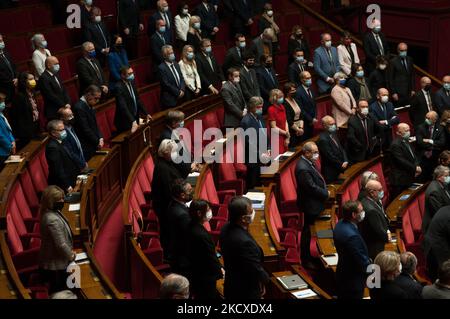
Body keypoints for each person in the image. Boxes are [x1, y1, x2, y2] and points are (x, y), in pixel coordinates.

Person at [220, 196, 270, 299]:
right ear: (243, 218)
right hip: (245, 292)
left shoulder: (225, 228)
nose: (253, 213)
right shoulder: (244, 242)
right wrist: (265, 279)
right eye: (251, 211)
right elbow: (254, 268)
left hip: (231, 284)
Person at [152, 140, 190, 253]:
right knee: (169, 235)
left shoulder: (166, 163)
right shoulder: (162, 168)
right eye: (172, 152)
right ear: (164, 152)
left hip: (168, 206)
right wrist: (182, 202)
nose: (175, 154)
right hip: (166, 208)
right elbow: (169, 191)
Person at [296, 141, 329, 268]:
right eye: (314, 152)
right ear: (306, 152)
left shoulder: (308, 163)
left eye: (317, 152)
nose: (317, 155)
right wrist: (325, 193)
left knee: (310, 231)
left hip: (314, 202)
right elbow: (311, 188)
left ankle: (309, 256)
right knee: (308, 232)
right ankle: (306, 259)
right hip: (310, 205)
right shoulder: (303, 168)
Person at [39, 185, 76, 294]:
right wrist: (71, 255)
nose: (62, 201)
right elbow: (61, 245)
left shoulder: (53, 212)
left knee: (72, 286)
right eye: (59, 199)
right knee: (65, 292)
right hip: (55, 267)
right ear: (51, 201)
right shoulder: (51, 219)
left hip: (59, 262)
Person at [333, 200, 370, 299]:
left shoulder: (340, 224)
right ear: (353, 214)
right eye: (361, 211)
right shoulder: (352, 236)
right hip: (353, 281)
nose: (363, 213)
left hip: (342, 273)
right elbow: (361, 261)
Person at [187, 199, 223, 299]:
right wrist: (220, 272)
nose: (210, 211)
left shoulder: (191, 226)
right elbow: (210, 256)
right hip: (204, 276)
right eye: (208, 210)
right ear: (199, 213)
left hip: (196, 273)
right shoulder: (201, 234)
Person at [240, 96, 269, 190]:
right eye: (258, 107)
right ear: (251, 107)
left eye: (261, 107)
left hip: (263, 155)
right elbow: (249, 143)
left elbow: (265, 134)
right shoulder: (246, 121)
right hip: (253, 158)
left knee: (262, 182)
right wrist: (260, 154)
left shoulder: (259, 117)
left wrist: (269, 148)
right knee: (254, 185)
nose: (260, 109)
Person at [166, 179, 192, 277]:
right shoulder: (182, 215)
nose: (192, 192)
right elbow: (188, 238)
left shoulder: (173, 203)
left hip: (176, 253)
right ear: (182, 195)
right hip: (183, 259)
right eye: (189, 191)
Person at [45, 120, 80, 193]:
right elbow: (58, 169)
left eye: (64, 129)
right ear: (53, 133)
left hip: (71, 178)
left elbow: (71, 155)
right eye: (62, 130)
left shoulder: (61, 140)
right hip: (61, 186)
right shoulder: (52, 148)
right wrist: (67, 186)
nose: (65, 131)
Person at [114, 66, 150, 134]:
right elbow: (123, 106)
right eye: (129, 73)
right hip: (125, 121)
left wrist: (146, 113)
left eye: (132, 73)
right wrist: (132, 121)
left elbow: (138, 100)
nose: (132, 75)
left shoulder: (132, 82)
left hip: (134, 118)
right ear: (122, 75)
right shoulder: (118, 87)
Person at [360, 180, 390, 260]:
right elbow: (379, 231)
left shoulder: (366, 201)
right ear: (372, 192)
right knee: (375, 271)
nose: (382, 191)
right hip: (374, 249)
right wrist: (388, 237)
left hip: (372, 244)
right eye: (380, 190)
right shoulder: (371, 210)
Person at [389, 123, 421, 198]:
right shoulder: (395, 145)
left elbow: (413, 155)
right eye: (406, 131)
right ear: (399, 132)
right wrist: (415, 168)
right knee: (399, 200)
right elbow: (402, 161)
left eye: (409, 130)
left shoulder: (406, 141)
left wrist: (417, 165)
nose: (408, 132)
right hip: (400, 179)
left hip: (408, 175)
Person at [72, 85, 104, 161]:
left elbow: (95, 124)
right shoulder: (79, 107)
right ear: (89, 94)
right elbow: (85, 129)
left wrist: (100, 137)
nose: (97, 101)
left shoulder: (88, 104)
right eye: (96, 98)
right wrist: (97, 141)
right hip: (85, 145)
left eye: (99, 98)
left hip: (92, 142)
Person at [10, 72, 39, 150]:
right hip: (26, 133)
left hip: (34, 127)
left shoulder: (32, 93)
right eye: (30, 79)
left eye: (33, 78)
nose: (33, 81)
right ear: (24, 81)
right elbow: (17, 118)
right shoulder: (20, 97)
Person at [347, 99, 380, 163]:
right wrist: (361, 147)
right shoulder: (352, 120)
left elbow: (379, 129)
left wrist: (375, 141)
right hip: (359, 153)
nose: (365, 108)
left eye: (366, 107)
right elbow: (351, 137)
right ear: (357, 109)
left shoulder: (371, 116)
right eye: (363, 107)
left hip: (371, 151)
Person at [38, 56, 71, 121]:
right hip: (54, 110)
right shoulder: (43, 78)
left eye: (58, 63)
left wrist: (68, 102)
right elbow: (50, 95)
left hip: (64, 107)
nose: (58, 66)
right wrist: (64, 105)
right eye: (55, 64)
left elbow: (64, 90)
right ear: (48, 65)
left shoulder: (56, 74)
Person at [317, 115, 349, 183]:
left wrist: (345, 160)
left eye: (334, 123)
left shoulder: (333, 134)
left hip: (338, 169)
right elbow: (330, 156)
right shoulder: (323, 139)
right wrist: (341, 164)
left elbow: (341, 148)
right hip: (330, 173)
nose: (334, 126)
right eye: (331, 124)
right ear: (325, 126)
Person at [415, 111, 446, 181]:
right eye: (426, 117)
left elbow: (442, 143)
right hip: (423, 156)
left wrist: (429, 141)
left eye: (428, 118)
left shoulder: (440, 128)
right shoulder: (420, 127)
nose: (426, 119)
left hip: (436, 155)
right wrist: (433, 145)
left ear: (435, 120)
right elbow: (420, 142)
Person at [424, 205, 450, 281]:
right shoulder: (448, 217)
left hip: (435, 247)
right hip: (437, 253)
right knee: (442, 279)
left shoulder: (445, 208)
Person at [57, 107, 87, 172]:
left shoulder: (70, 126)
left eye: (72, 115)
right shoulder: (63, 133)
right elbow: (70, 152)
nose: (72, 117)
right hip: (75, 167)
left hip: (81, 162)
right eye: (69, 116)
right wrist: (82, 164)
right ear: (62, 119)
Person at [158, 45, 186, 109]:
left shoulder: (176, 64)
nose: (172, 54)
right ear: (164, 56)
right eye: (170, 53)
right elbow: (166, 84)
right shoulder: (161, 68)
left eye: (172, 52)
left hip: (181, 97)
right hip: (170, 100)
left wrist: (182, 89)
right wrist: (178, 93)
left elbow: (181, 78)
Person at [389, 42, 415, 107]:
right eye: (402, 50)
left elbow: (412, 75)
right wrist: (393, 93)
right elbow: (390, 78)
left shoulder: (410, 59)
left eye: (405, 50)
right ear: (398, 50)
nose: (404, 52)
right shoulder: (393, 62)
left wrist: (413, 89)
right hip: (398, 93)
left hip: (408, 92)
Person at [295, 71, 317, 140]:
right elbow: (301, 109)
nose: (310, 79)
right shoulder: (298, 92)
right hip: (304, 122)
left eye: (310, 77)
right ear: (302, 80)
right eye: (307, 78)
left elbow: (314, 105)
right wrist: (310, 119)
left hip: (312, 121)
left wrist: (315, 117)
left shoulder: (311, 89)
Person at [267, 89, 289, 156]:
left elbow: (285, 121)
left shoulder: (282, 107)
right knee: (279, 158)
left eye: (282, 96)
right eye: (279, 97)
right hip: (276, 137)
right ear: (274, 98)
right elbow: (273, 127)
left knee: (286, 156)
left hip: (284, 134)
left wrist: (287, 136)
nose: (282, 98)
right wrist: (286, 133)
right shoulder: (271, 109)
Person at [284, 82, 304, 147]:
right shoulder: (285, 103)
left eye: (295, 89)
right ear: (287, 92)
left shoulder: (296, 100)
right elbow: (288, 120)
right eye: (292, 90)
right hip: (292, 130)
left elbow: (301, 115)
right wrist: (297, 129)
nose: (295, 91)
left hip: (300, 129)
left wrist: (300, 128)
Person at [0, 34, 17, 102]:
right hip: (4, 89)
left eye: (2, 40)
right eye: (0, 41)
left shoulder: (6, 53)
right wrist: (11, 82)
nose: (2, 42)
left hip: (14, 85)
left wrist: (16, 78)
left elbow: (14, 66)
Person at [0, 92, 15, 165]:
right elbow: (0, 136)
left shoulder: (1, 114)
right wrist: (10, 146)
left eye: (3, 101)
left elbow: (8, 130)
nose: (3, 104)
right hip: (2, 152)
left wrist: (13, 140)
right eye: (1, 102)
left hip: (7, 149)